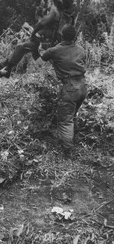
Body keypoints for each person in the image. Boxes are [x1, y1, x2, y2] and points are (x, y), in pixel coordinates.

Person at [40, 24, 87, 157]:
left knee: (65, 120)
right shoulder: (81, 49)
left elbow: (43, 57)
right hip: (83, 86)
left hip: (70, 87)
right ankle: (73, 138)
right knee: (72, 114)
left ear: (62, 35)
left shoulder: (55, 50)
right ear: (75, 36)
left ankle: (67, 151)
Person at [0, 0, 63, 77]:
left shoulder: (54, 12)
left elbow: (42, 23)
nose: (50, 5)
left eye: (51, 3)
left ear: (53, 3)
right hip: (42, 40)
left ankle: (7, 67)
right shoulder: (56, 13)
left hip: (43, 43)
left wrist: (34, 33)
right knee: (20, 46)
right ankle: (7, 66)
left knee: (22, 47)